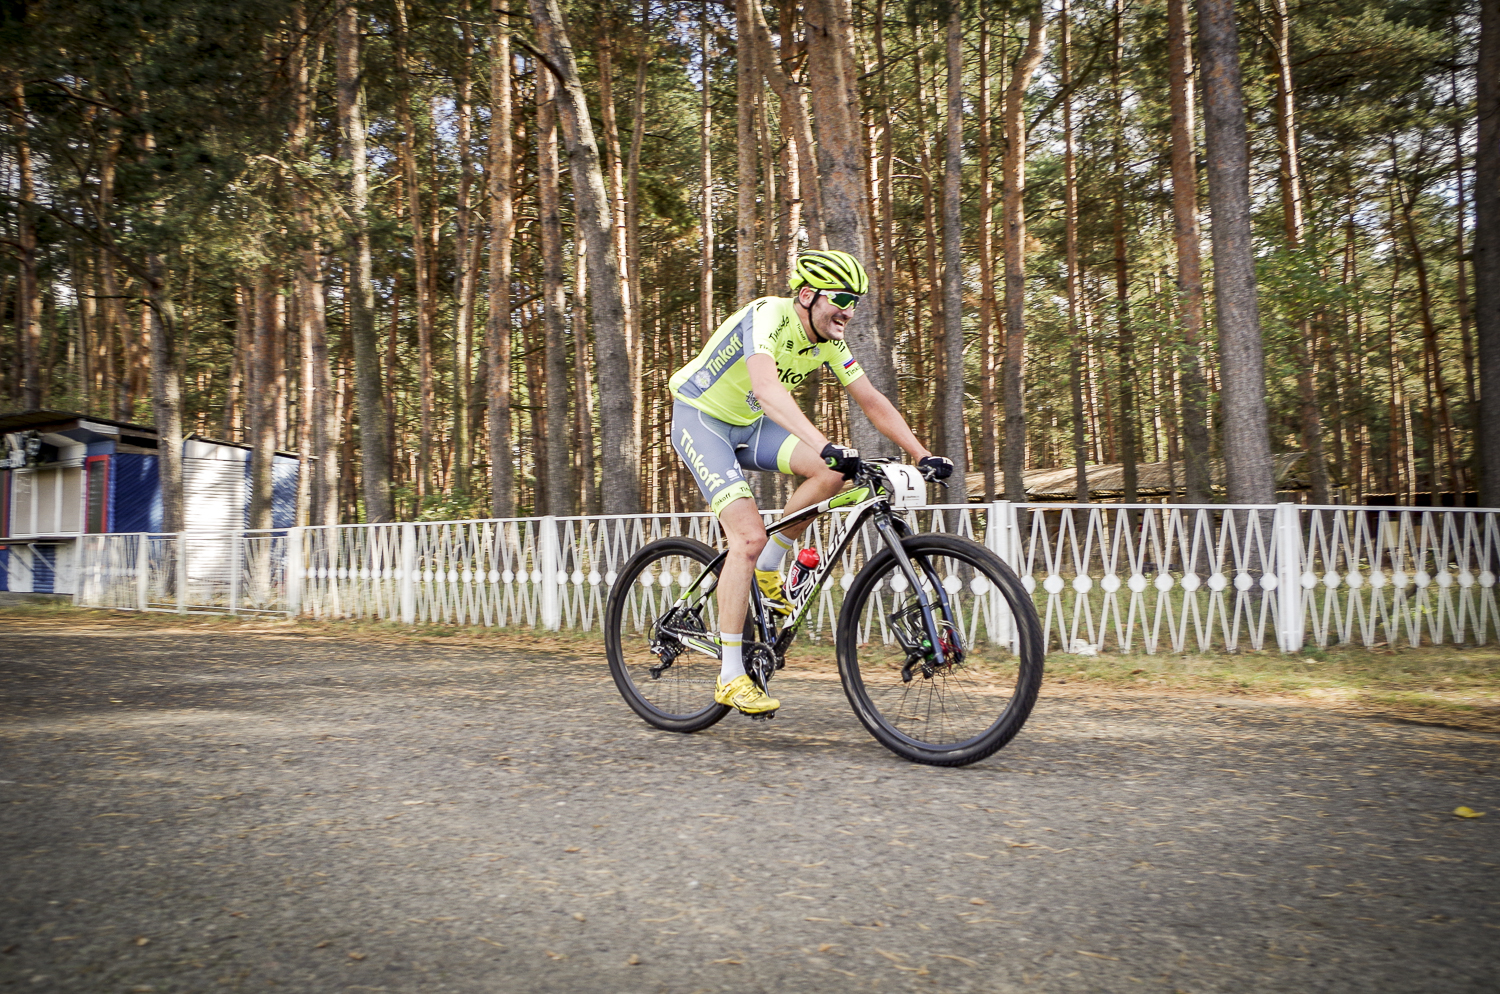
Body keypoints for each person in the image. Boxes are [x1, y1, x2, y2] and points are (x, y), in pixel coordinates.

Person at [667, 249, 953, 718]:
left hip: (749, 425)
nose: (849, 311)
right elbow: (767, 390)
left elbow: (871, 400)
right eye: (841, 298)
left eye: (855, 302)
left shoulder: (830, 343)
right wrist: (823, 442)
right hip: (702, 419)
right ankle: (731, 676)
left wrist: (921, 453)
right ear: (807, 295)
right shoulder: (768, 315)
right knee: (747, 538)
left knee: (834, 471)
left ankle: (769, 567)